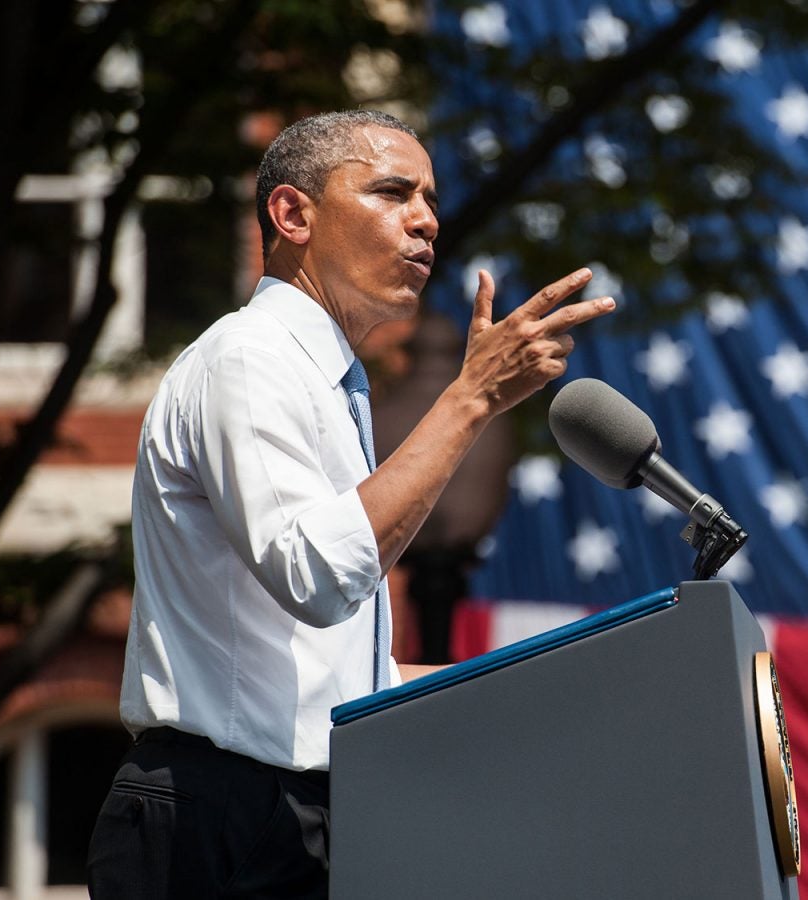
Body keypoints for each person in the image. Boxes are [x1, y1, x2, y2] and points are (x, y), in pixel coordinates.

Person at [86, 109, 615, 897]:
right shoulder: (248, 358)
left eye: (430, 200)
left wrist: (535, 692)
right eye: (393, 192)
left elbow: (316, 671)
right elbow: (320, 576)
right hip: (219, 822)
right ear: (293, 213)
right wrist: (468, 399)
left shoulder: (335, 388)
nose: (426, 221)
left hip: (305, 813)